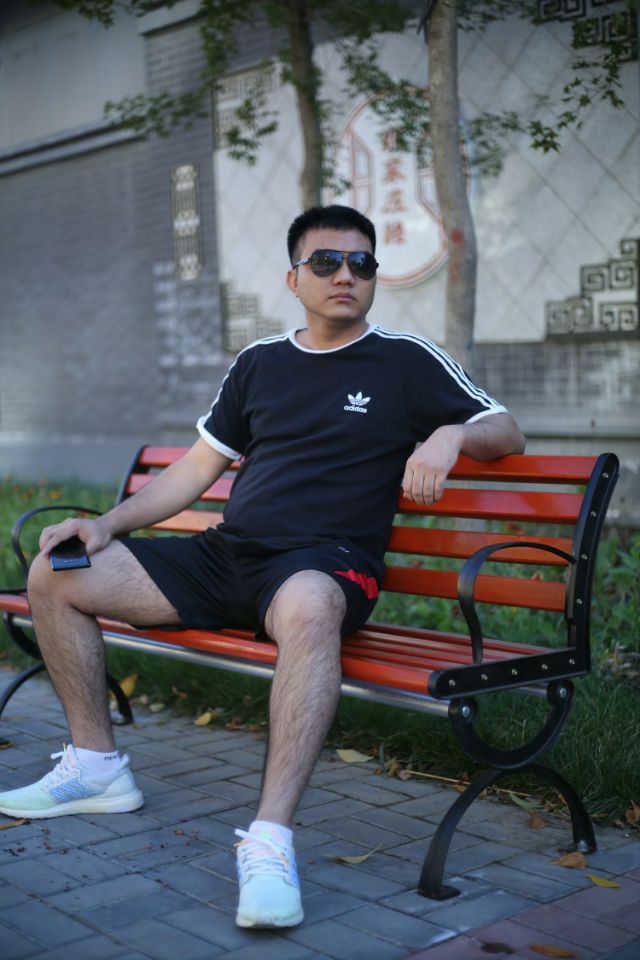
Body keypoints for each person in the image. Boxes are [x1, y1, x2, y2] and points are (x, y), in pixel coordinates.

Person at [0, 204, 525, 928]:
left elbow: (506, 429)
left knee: (309, 605)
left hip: (326, 564)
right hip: (230, 555)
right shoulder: (258, 364)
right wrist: (106, 524)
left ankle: (270, 840)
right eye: (326, 262)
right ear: (293, 278)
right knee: (54, 574)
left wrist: (449, 435)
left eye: (362, 263)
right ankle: (95, 768)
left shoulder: (405, 360)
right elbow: (194, 470)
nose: (346, 275)